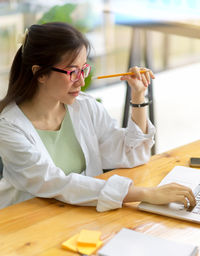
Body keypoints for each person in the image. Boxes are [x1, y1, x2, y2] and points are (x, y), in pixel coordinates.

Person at [0, 22, 195, 211]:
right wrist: (146, 194)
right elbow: (53, 182)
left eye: (84, 69)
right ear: (39, 73)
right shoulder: (9, 127)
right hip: (25, 224)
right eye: (72, 72)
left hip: (74, 214)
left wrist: (138, 96)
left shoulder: (84, 107)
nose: (81, 81)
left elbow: (131, 154)